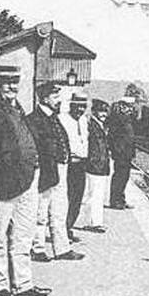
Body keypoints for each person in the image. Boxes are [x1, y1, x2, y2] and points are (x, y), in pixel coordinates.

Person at [0, 64, 51, 296]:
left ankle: (23, 283)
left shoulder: (17, 108)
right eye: (7, 82)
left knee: (23, 235)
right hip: (3, 184)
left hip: (26, 180)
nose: (12, 86)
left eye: (15, 81)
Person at [27, 81, 85, 261]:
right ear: (44, 98)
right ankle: (37, 249)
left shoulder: (54, 118)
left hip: (61, 170)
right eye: (54, 97)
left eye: (58, 96)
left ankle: (62, 249)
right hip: (46, 171)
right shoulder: (34, 120)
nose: (58, 100)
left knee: (60, 210)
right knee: (41, 212)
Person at [78, 98, 111, 232]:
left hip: (101, 166)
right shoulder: (91, 125)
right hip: (95, 166)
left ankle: (96, 221)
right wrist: (92, 161)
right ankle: (93, 223)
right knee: (94, 196)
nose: (103, 114)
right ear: (94, 112)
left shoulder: (99, 125)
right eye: (100, 111)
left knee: (98, 195)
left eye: (105, 112)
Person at [61, 92, 89, 239]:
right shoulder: (63, 119)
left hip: (81, 165)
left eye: (83, 107)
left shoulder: (84, 120)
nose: (80, 110)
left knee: (77, 198)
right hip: (69, 164)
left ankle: (69, 227)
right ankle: (63, 230)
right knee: (67, 198)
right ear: (72, 105)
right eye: (78, 106)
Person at [107, 100, 136, 210]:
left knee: (124, 177)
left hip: (126, 153)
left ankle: (121, 199)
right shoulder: (117, 120)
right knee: (120, 177)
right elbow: (113, 137)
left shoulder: (126, 119)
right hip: (121, 154)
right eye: (127, 108)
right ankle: (115, 201)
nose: (130, 109)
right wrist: (117, 150)